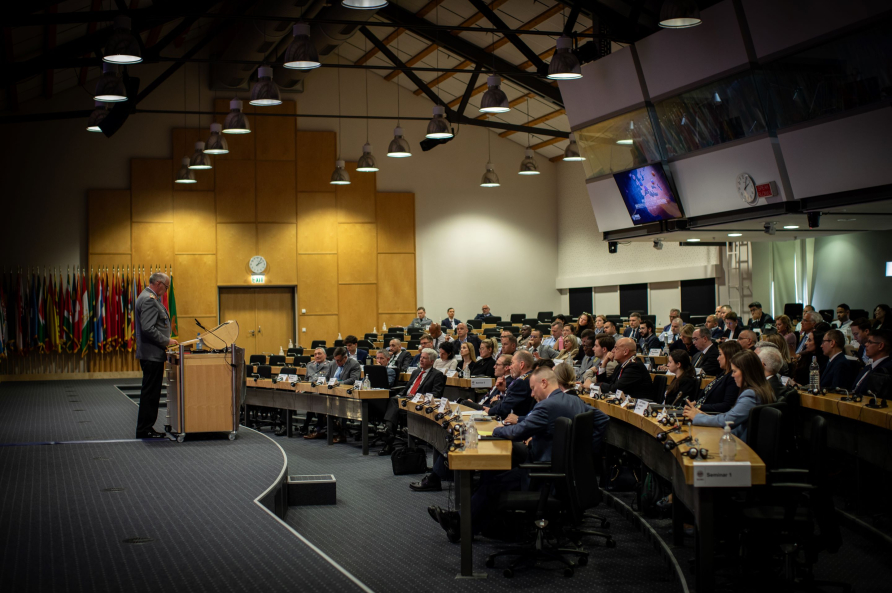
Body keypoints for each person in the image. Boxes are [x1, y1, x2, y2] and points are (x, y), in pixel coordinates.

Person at [431, 366, 608, 541]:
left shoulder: (547, 405)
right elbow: (602, 419)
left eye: (533, 388)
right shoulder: (574, 400)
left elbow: (517, 433)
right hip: (563, 472)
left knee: (493, 484)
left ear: (544, 383)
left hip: (544, 475)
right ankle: (465, 525)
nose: (531, 394)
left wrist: (497, 430)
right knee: (496, 476)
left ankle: (460, 523)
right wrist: (584, 452)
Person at [684, 350, 775, 442]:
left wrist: (697, 417)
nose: (732, 375)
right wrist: (703, 415)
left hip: (739, 444)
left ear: (746, 372)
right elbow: (731, 415)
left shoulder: (751, 395)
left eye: (734, 371)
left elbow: (728, 420)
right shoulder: (766, 389)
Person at [134, 272, 178, 439]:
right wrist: (167, 341)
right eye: (166, 287)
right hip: (152, 354)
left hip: (150, 354)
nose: (166, 291)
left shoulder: (146, 297)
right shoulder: (149, 300)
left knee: (150, 393)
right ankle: (145, 429)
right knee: (150, 395)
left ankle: (146, 428)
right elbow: (148, 328)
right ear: (159, 283)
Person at [379, 348, 447, 457]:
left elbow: (436, 394)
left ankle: (388, 435)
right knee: (394, 399)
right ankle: (389, 432)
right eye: (421, 357)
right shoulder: (416, 372)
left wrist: (417, 397)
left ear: (432, 361)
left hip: (418, 403)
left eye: (424, 358)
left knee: (394, 402)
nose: (421, 360)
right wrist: (400, 395)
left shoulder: (437, 375)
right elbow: (407, 388)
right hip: (406, 399)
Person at [318, 347, 363, 443]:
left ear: (345, 358)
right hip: (331, 392)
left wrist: (338, 384)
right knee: (317, 398)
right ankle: (321, 429)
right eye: (335, 360)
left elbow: (354, 379)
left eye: (339, 360)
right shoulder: (333, 363)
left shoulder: (354, 364)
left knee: (340, 403)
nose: (337, 363)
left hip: (346, 394)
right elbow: (327, 377)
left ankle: (342, 434)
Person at [695, 341, 744, 413]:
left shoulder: (733, 378)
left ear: (729, 356)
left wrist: (700, 407)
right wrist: (695, 403)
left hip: (709, 415)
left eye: (720, 355)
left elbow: (726, 405)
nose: (718, 358)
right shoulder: (723, 374)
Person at [487, 350, 535, 418]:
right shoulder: (532, 376)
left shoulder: (521, 382)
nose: (510, 367)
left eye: (512, 363)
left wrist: (489, 411)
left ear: (521, 365)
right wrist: (504, 391)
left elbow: (505, 408)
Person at [853, 330, 892, 396]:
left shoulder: (886, 370)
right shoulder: (868, 367)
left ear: (880, 346)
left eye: (870, 342)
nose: (866, 344)